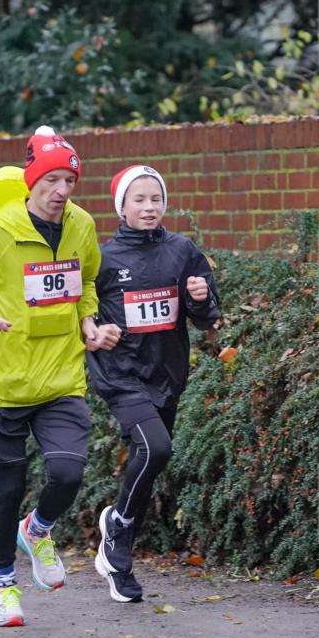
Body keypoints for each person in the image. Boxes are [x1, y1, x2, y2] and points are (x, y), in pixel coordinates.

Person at [0, 126, 121, 627]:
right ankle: (3, 586)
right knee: (7, 489)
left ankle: (37, 531)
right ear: (31, 180)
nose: (62, 191)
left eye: (70, 180)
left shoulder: (81, 225)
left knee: (68, 474)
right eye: (52, 179)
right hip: (5, 386)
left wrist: (89, 324)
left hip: (61, 377)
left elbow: (86, 286)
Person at [87, 164, 220, 604]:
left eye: (156, 199)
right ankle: (118, 536)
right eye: (139, 199)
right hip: (121, 375)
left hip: (167, 373)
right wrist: (92, 332)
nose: (149, 207)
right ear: (121, 207)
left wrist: (201, 298)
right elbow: (79, 313)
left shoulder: (182, 250)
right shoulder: (102, 258)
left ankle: (116, 541)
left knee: (151, 459)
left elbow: (205, 317)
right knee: (156, 448)